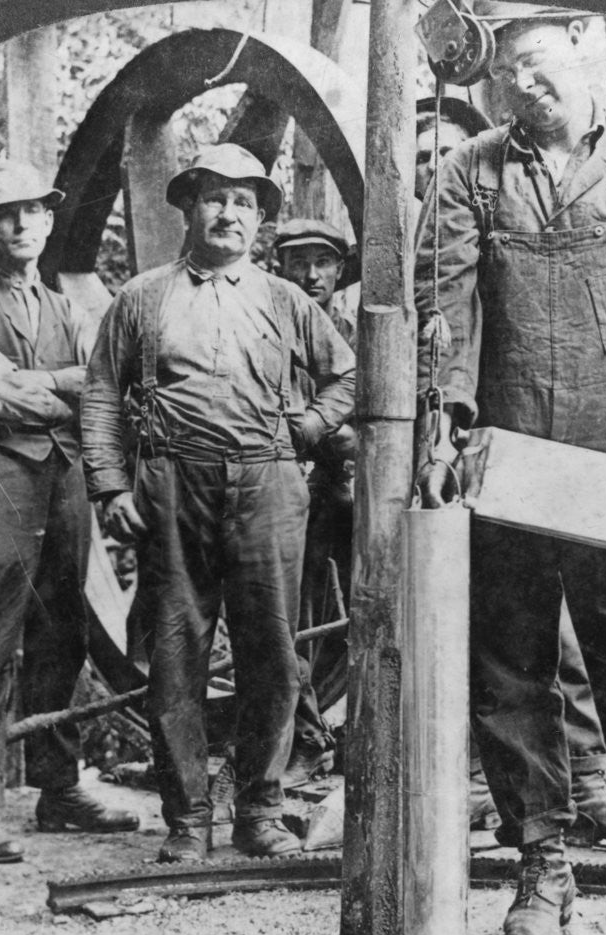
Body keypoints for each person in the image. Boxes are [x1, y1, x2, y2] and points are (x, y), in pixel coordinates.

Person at [415, 3, 606, 935]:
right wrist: (441, 422)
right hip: (501, 468)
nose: (524, 85)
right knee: (509, 675)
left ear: (582, 52)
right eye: (506, 73)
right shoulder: (468, 175)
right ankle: (542, 870)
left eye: (540, 64)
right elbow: (445, 313)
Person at [81, 144, 356, 862]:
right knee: (176, 656)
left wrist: (311, 426)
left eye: (243, 201)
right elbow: (103, 395)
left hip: (268, 483)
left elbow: (347, 378)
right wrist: (109, 485)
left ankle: (259, 811)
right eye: (214, 197)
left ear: (259, 218)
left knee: (271, 651)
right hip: (173, 485)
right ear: (188, 208)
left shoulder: (285, 299)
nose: (227, 212)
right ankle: (187, 821)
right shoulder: (141, 298)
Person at [416, 94, 606, 849]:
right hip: (488, 456)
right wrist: (441, 437)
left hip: (591, 448)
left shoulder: (600, 191)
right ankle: (542, 850)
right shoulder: (426, 239)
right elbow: (444, 330)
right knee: (508, 657)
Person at [0, 159, 139, 864]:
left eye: (34, 212)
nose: (21, 224)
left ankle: (59, 789)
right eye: (5, 213)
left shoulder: (68, 308)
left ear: (49, 220)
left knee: (65, 634)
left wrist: (40, 386)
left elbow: (103, 383)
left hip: (65, 477)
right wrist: (63, 389)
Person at [272, 218, 359, 788]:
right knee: (290, 619)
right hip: (294, 490)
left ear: (338, 269)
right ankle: (306, 739)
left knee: (372, 609)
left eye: (322, 263)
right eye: (298, 262)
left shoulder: (358, 328)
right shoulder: (268, 324)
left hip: (356, 490)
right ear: (279, 268)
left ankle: (362, 737)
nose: (311, 275)